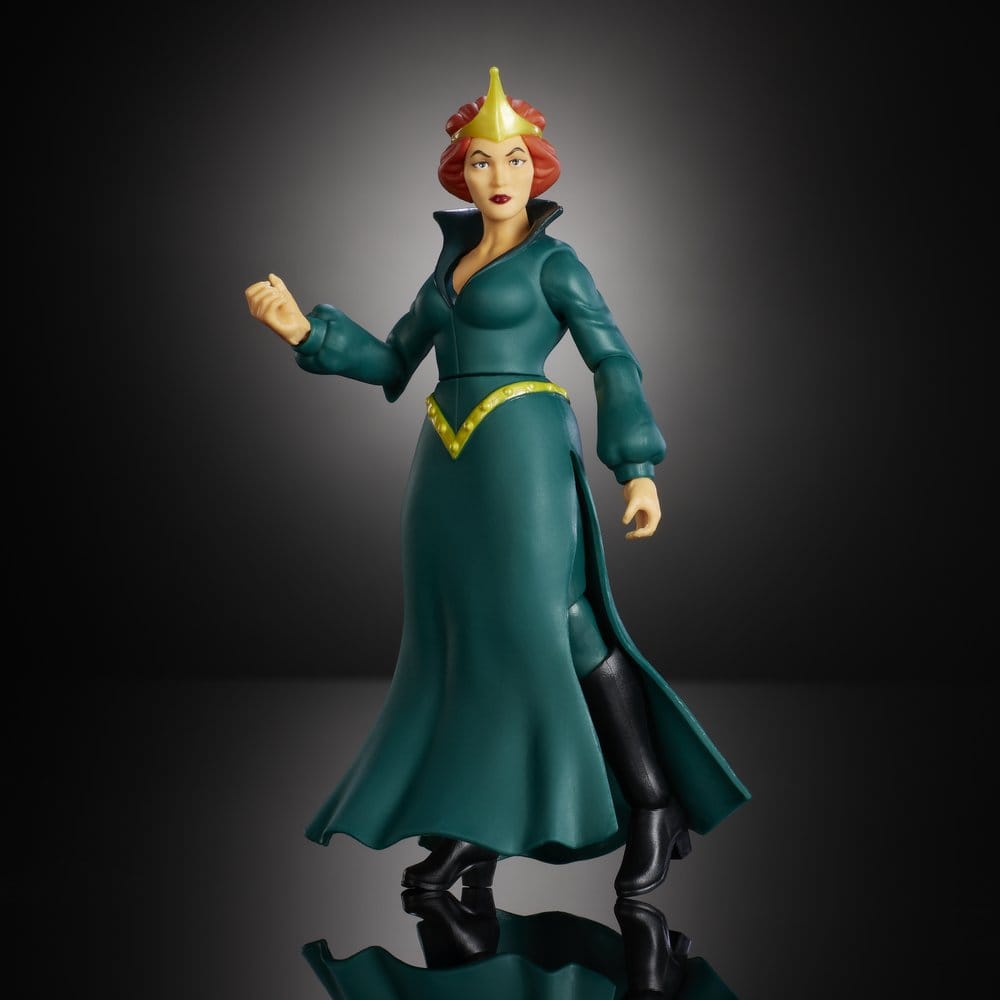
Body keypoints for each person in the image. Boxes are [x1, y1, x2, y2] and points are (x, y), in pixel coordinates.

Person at [245, 67, 749, 897]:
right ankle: (473, 829)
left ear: (538, 169)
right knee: (458, 637)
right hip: (446, 466)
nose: (500, 175)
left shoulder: (556, 264)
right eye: (481, 162)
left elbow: (612, 358)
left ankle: (655, 802)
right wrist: (306, 332)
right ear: (461, 175)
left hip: (524, 453)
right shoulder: (446, 270)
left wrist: (637, 469)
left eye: (515, 160)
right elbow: (393, 362)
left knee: (557, 622)